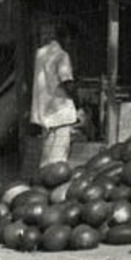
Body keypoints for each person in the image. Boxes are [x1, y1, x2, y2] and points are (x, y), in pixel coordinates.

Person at [31, 21, 79, 167]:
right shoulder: (62, 56)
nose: (71, 44)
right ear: (67, 38)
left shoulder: (41, 53)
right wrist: (78, 100)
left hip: (45, 113)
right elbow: (67, 83)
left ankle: (40, 187)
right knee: (58, 162)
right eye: (71, 40)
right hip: (60, 114)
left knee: (46, 158)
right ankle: (52, 188)